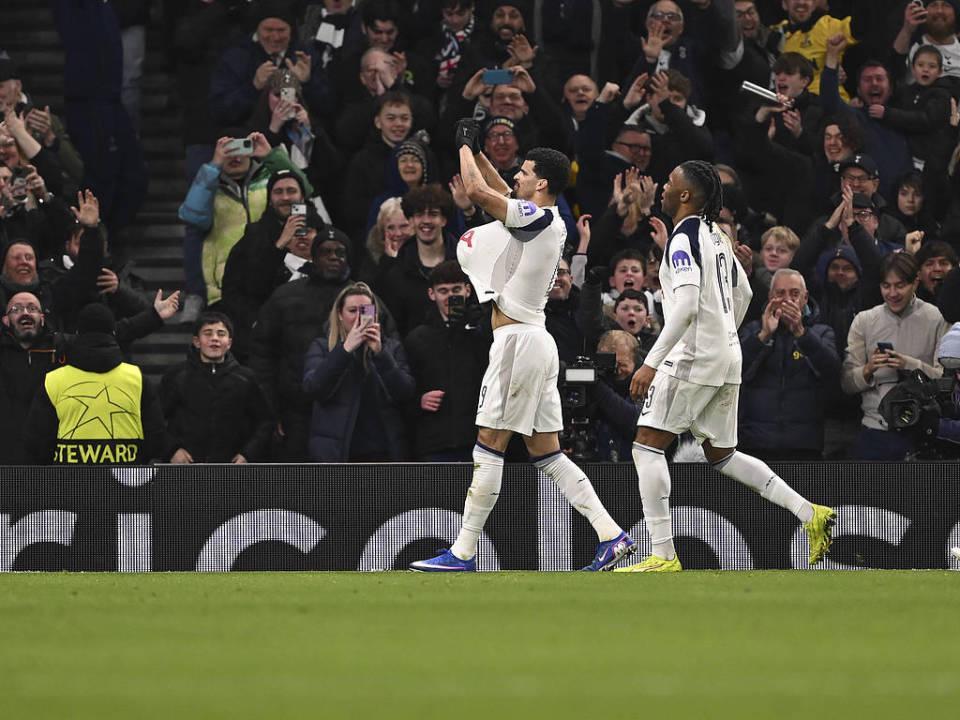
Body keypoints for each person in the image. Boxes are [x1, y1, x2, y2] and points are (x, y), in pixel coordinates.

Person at [411, 123, 636, 572]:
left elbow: (477, 192)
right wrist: (479, 150)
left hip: (517, 343)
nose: (517, 176)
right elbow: (497, 188)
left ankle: (462, 553)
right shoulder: (539, 219)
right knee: (547, 453)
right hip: (533, 340)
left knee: (488, 446)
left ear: (543, 183)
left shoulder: (542, 218)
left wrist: (461, 146)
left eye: (525, 172)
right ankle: (612, 536)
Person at [615, 161, 835, 573]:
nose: (663, 187)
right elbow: (746, 291)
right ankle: (810, 513)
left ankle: (662, 555)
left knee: (646, 446)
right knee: (722, 454)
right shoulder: (717, 235)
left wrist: (651, 363)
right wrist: (723, 334)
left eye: (670, 182)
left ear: (685, 195)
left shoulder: (683, 238)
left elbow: (684, 308)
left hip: (695, 356)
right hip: (726, 355)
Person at [24, 303, 166, 465]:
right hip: (126, 477)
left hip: (70, 478)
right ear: (113, 333)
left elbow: (37, 444)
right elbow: (156, 440)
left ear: (77, 334)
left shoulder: (53, 381)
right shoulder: (137, 379)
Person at [841, 252, 950, 460]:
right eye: (886, 286)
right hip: (875, 432)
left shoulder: (937, 318)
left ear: (915, 282)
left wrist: (909, 364)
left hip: (923, 433)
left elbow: (946, 381)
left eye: (900, 286)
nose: (892, 293)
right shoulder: (864, 321)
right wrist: (868, 369)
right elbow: (846, 383)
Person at [302, 282, 415, 462]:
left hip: (383, 451)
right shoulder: (322, 347)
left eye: (365, 311)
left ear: (375, 314)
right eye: (352, 311)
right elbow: (314, 388)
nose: (358, 318)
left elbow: (405, 392)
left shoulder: (391, 348)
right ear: (340, 315)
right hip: (338, 452)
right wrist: (345, 350)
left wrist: (380, 354)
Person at [738, 269, 840, 461]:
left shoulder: (822, 332)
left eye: (794, 294)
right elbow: (735, 372)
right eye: (780, 294)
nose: (787, 300)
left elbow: (833, 375)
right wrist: (763, 336)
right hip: (756, 442)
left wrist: (801, 333)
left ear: (805, 298)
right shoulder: (752, 330)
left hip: (804, 445)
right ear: (770, 297)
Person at [404, 260, 489, 461]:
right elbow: (403, 389)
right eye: (443, 291)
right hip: (434, 443)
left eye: (456, 289)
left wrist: (474, 328)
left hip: (478, 441)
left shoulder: (483, 333)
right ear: (431, 294)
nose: (450, 296)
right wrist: (418, 401)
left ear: (468, 290)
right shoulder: (417, 339)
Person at [161, 312, 273, 464]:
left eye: (221, 334)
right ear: (197, 341)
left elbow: (265, 422)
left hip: (232, 468)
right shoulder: (177, 376)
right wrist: (172, 450)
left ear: (229, 343)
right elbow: (155, 420)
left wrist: (248, 454)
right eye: (208, 333)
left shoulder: (246, 378)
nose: (214, 338)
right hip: (186, 467)